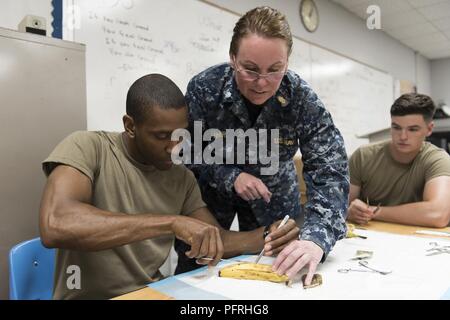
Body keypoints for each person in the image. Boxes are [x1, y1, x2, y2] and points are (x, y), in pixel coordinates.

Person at [38, 74, 299, 300]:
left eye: (179, 135)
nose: (174, 147)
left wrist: (268, 236)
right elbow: (56, 224)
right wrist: (171, 223)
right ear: (130, 126)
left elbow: (214, 238)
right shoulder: (88, 148)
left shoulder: (180, 178)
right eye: (161, 136)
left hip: (153, 293)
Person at [175, 6, 349, 285]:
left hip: (275, 197)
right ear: (233, 58)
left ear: (287, 63)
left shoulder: (301, 99)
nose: (262, 83)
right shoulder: (205, 88)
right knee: (195, 268)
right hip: (209, 195)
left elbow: (330, 170)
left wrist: (317, 236)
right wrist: (230, 176)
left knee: (279, 272)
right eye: (250, 69)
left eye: (275, 70)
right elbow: (185, 150)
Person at [347, 93, 450, 228]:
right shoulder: (363, 156)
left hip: (414, 241)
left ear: (429, 129)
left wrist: (373, 211)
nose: (402, 136)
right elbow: (339, 205)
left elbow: (438, 214)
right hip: (368, 237)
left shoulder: (439, 160)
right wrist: (349, 211)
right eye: (396, 127)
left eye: (413, 129)